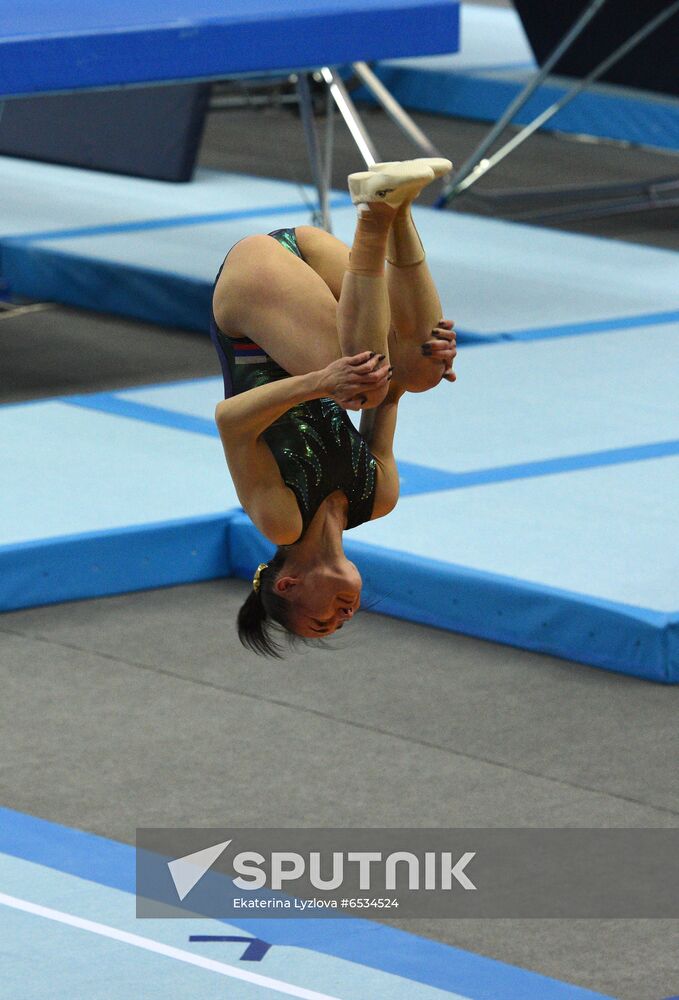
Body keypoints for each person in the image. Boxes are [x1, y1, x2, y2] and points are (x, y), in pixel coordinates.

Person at [210, 159, 457, 656]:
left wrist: (319, 382)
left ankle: (372, 215)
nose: (344, 616)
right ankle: (399, 208)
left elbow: (230, 421)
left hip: (252, 287)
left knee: (358, 386)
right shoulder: (378, 497)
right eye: (340, 625)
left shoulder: (281, 519)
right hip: (308, 263)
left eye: (322, 623)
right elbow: (395, 390)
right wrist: (431, 354)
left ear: (287, 586)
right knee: (419, 372)